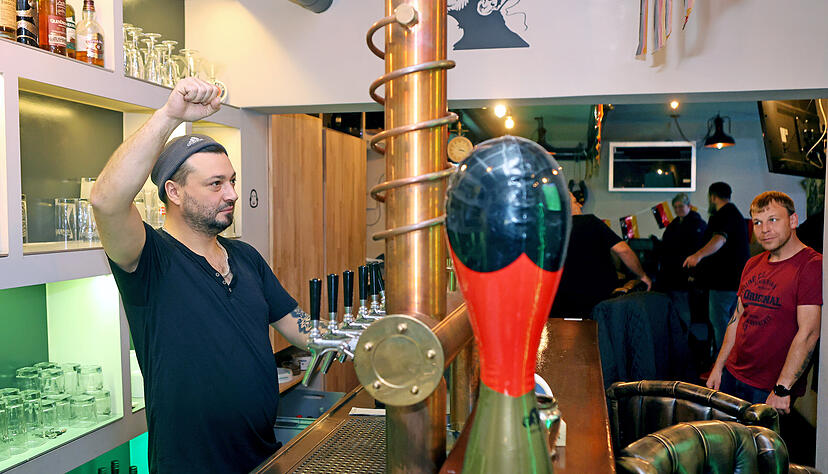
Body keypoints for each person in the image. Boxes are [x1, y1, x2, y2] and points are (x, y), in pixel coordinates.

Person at [90, 78, 311, 473]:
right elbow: (106, 201)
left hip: (262, 456)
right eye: (216, 184)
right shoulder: (148, 259)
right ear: (174, 192)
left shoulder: (245, 257)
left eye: (232, 181)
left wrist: (353, 341)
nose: (231, 194)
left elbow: (296, 323)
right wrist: (170, 115)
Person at [706, 191, 821, 415]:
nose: (764, 229)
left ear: (793, 220)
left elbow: (809, 331)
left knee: (758, 449)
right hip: (732, 375)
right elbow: (736, 319)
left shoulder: (812, 264)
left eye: (773, 220)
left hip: (768, 387)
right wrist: (718, 367)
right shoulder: (752, 264)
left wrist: (782, 388)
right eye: (758, 222)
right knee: (728, 444)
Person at [549, 193, 652, 318]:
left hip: (559, 304)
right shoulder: (590, 221)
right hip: (597, 304)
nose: (580, 205)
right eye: (576, 202)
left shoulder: (549, 229)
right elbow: (623, 251)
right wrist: (641, 275)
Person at [683, 182, 750, 355]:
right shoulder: (735, 214)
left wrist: (697, 256)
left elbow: (719, 239)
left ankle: (723, 365)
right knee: (730, 323)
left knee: (720, 323)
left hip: (724, 282)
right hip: (734, 281)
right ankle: (728, 364)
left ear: (712, 197)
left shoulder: (723, 215)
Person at [657, 193, 707, 326]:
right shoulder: (674, 225)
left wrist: (693, 274)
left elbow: (698, 251)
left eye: (680, 206)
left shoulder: (698, 225)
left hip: (685, 275)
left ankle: (685, 337)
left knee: (683, 308)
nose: (678, 210)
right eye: (675, 207)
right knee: (674, 308)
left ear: (689, 206)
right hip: (671, 274)